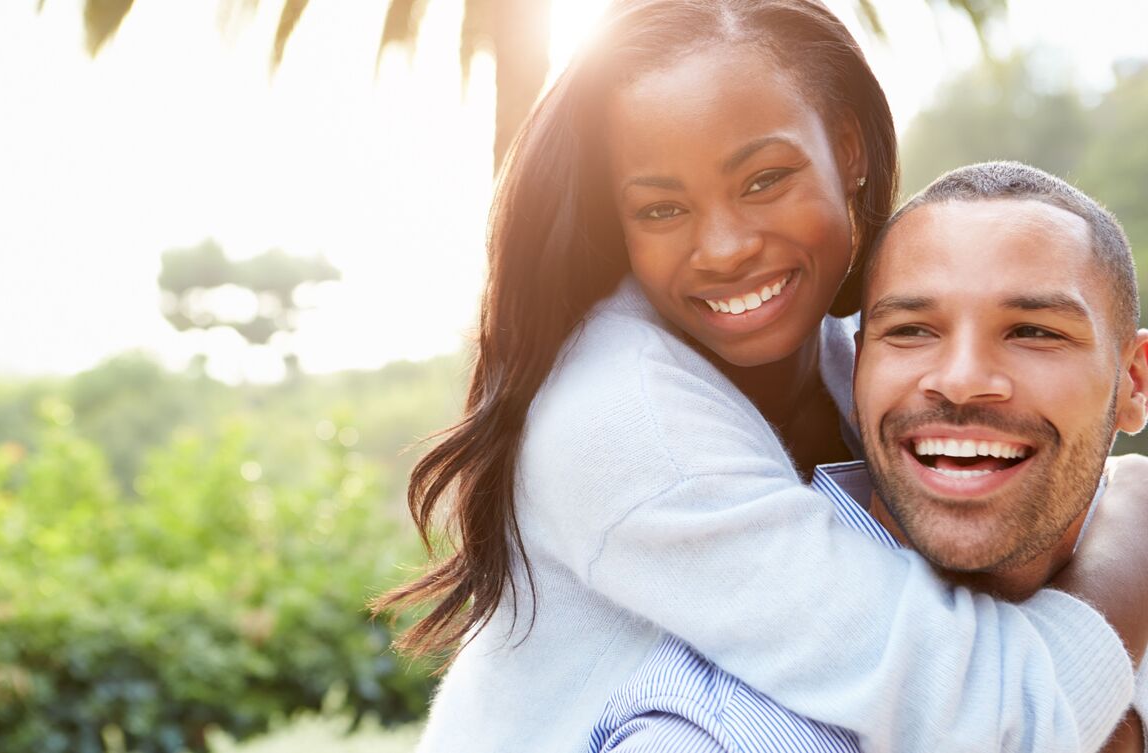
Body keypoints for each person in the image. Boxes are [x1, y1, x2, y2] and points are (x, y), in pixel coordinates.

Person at [375, 3, 1148, 751]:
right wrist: (1130, 537)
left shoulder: (861, 355)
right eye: (661, 210)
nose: (723, 248)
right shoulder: (623, 420)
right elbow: (992, 718)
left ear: (849, 149)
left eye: (762, 180)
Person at [587, 161, 1148, 752]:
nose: (960, 381)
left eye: (1033, 332)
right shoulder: (713, 734)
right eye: (911, 330)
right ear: (857, 372)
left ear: (1133, 383)